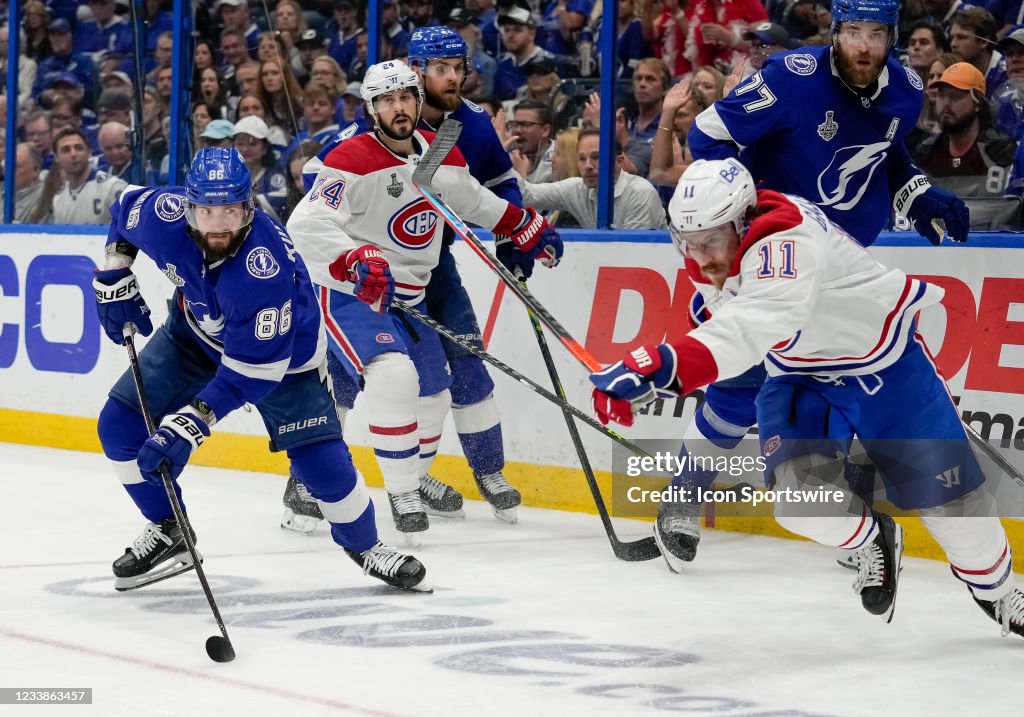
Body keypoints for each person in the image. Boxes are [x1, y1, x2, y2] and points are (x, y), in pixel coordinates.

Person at [591, 158, 1024, 638]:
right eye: (688, 243)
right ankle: (872, 539)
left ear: (743, 219)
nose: (700, 257)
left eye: (711, 240)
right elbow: (735, 322)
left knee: (953, 511)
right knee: (799, 502)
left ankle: (1000, 590)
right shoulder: (712, 242)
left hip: (884, 364)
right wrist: (658, 373)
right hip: (799, 376)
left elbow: (756, 325)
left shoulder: (786, 237)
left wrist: (664, 366)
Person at [667, 0, 972, 569]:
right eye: (852, 31)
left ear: (892, 38)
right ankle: (683, 496)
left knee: (846, 399)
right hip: (774, 262)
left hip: (843, 272)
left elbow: (886, 150)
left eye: (875, 34)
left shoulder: (905, 89)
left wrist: (916, 192)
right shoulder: (792, 78)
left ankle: (855, 529)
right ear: (835, 32)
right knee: (738, 385)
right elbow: (709, 138)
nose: (862, 44)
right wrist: (748, 215)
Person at [92, 146, 428, 593]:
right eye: (207, 213)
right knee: (118, 427)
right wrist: (115, 272)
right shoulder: (165, 214)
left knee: (323, 467)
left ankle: (367, 547)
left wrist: (192, 423)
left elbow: (252, 374)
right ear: (188, 208)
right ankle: (169, 527)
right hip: (194, 335)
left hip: (285, 364)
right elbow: (124, 208)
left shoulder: (262, 270)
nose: (219, 225)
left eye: (230, 211)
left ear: (248, 206)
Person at [286, 60, 561, 544]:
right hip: (352, 292)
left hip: (409, 296)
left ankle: (401, 482)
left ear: (417, 101)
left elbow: (476, 201)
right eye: (387, 100)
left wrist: (523, 225)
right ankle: (397, 493)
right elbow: (305, 224)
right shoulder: (350, 159)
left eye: (406, 97)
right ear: (372, 109)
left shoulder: (436, 157)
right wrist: (354, 256)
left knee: (434, 389)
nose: (399, 107)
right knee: (392, 375)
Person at [517, 127, 667, 229]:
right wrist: (497, 157)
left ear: (619, 161)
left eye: (597, 157)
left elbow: (634, 255)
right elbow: (527, 194)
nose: (588, 166)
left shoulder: (640, 193)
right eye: (582, 159)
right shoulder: (576, 188)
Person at [50, 128, 128, 225]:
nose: (73, 154)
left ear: (89, 152)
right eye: (66, 150)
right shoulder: (59, 199)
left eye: (79, 148)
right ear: (56, 157)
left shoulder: (112, 187)